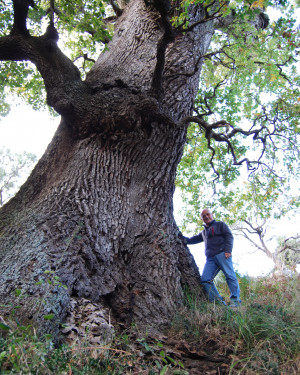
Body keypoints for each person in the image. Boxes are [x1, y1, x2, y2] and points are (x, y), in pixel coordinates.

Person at [183, 209, 241, 306]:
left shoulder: (220, 225)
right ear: (202, 219)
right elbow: (192, 240)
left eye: (207, 214)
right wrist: (179, 237)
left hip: (222, 254)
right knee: (205, 280)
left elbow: (229, 236)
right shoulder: (204, 232)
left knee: (230, 276)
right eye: (203, 216)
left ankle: (235, 302)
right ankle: (219, 303)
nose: (206, 217)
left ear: (212, 215)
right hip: (210, 258)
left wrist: (228, 250)